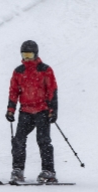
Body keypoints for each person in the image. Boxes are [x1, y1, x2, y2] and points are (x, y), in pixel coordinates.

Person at [6, 40, 59, 183]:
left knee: (43, 141)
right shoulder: (18, 71)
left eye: (29, 54)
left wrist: (53, 110)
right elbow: (13, 91)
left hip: (42, 111)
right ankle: (18, 170)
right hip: (26, 111)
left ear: (36, 54)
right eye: (25, 55)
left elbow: (52, 90)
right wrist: (11, 110)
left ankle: (48, 171)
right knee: (18, 140)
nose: (27, 58)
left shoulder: (45, 70)